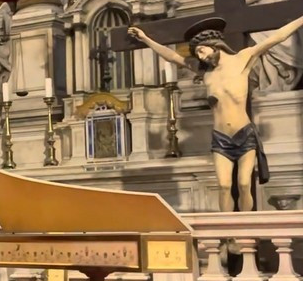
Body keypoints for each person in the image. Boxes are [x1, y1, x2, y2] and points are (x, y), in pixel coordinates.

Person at [128, 12, 303, 212]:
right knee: (224, 186)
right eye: (198, 54)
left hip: (244, 134)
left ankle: (245, 234)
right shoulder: (206, 73)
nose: (201, 57)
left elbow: (277, 37)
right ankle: (229, 237)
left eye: (202, 51)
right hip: (221, 138)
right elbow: (173, 56)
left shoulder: (242, 59)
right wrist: (146, 39)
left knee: (245, 184)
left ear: (214, 44)